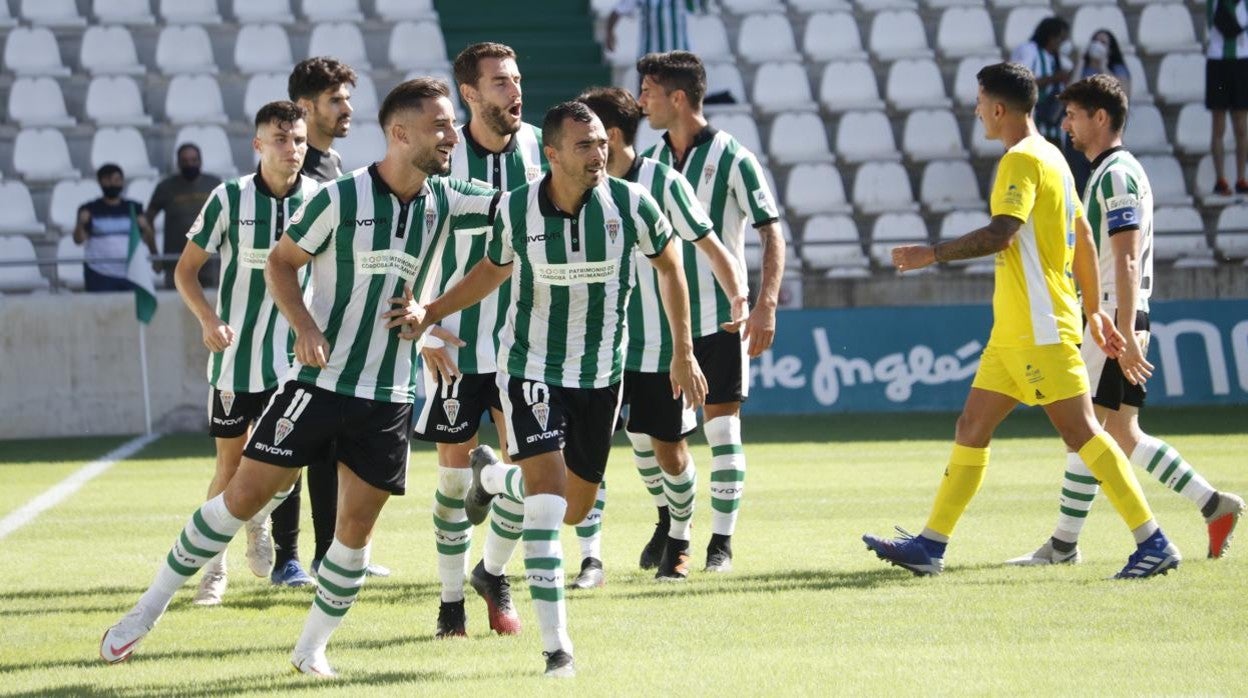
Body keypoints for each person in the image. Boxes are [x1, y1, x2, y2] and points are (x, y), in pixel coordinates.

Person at [100, 77, 499, 677]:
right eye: (440, 125)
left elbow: (517, 224)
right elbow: (281, 263)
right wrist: (306, 326)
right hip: (318, 383)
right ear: (399, 133)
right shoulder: (340, 198)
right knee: (240, 496)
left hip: (388, 395)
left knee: (354, 532)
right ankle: (144, 613)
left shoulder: (450, 198)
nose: (453, 136)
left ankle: (311, 650)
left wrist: (432, 314)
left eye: (452, 125)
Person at [407, 101, 707, 677]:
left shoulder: (632, 204)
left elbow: (671, 267)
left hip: (601, 377)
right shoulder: (517, 208)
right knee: (546, 505)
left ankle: (492, 485)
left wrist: (683, 350)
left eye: (601, 144)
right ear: (552, 154)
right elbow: (491, 271)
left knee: (574, 509)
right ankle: (557, 650)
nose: (598, 155)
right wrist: (432, 312)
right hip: (531, 370)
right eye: (584, 146)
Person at [865, 62, 1181, 580]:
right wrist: (1094, 311)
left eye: (978, 102)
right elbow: (1082, 234)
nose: (975, 112)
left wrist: (931, 253)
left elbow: (1001, 233)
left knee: (1083, 432)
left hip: (1039, 327)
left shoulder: (1020, 160)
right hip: (1014, 332)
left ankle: (1153, 541)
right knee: (972, 427)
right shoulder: (1053, 156)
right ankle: (930, 545)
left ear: (997, 108)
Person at [1007, 74, 1246, 565]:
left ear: (1101, 117)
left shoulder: (1116, 174)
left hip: (1115, 314)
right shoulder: (1116, 171)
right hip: (1123, 312)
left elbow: (1127, 256)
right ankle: (1211, 504)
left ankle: (1064, 545)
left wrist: (1125, 328)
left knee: (1086, 429)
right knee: (1118, 432)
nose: (1066, 125)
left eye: (1073, 115)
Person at [579, 85, 747, 581]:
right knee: (596, 450)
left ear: (609, 136)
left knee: (669, 452)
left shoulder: (663, 182)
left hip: (657, 349)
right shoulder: (574, 185)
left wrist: (739, 298)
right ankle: (591, 557)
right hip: (599, 350)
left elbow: (711, 245)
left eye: (586, 133)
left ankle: (680, 536)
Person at [635, 50, 785, 573]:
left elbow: (771, 232)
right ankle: (669, 520)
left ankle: (720, 544)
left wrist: (765, 303)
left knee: (721, 431)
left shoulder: (733, 157)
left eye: (649, 92)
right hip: (660, 325)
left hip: (721, 318)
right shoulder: (647, 163)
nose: (641, 101)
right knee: (648, 438)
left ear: (677, 98)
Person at [416, 41, 546, 640]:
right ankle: (450, 604)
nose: (515, 91)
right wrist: (424, 329)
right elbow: (408, 241)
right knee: (451, 482)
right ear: (469, 93)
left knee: (529, 478)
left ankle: (493, 573)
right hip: (456, 343)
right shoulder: (442, 156)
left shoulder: (542, 147)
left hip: (524, 346)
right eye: (500, 82)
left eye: (516, 79)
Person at [172, 101, 322, 605]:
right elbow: (185, 270)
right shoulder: (229, 198)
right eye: (281, 139)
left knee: (291, 461)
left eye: (299, 140)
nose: (292, 148)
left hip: (292, 362)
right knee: (229, 466)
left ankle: (258, 518)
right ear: (258, 144)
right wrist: (208, 319)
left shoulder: (319, 199)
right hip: (235, 359)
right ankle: (214, 568)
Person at [263, 55, 369, 588]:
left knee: (331, 446)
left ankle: (330, 554)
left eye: (348, 98)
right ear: (305, 107)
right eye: (336, 100)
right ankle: (285, 556)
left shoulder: (336, 166)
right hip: (284, 328)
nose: (347, 108)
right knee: (287, 448)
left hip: (325, 325)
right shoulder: (290, 172)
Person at [146, 143, 223, 290]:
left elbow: (229, 219)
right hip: (176, 262)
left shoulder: (214, 184)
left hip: (210, 261)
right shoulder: (165, 187)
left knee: (212, 302)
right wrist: (154, 254)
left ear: (200, 161)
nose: (190, 164)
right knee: (175, 302)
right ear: (178, 163)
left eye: (193, 160)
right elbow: (147, 220)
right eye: (185, 161)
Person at [74, 164, 158, 292]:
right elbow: (78, 240)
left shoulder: (134, 207)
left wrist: (146, 227)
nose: (113, 184)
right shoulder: (89, 209)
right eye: (108, 180)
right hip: (99, 273)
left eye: (117, 180)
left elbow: (148, 239)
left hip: (132, 271)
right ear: (100, 182)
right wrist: (80, 223)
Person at [1066, 30, 1130, 193]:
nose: (1098, 45)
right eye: (1095, 41)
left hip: (1104, 134)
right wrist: (1080, 62)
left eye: (1103, 43)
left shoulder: (1117, 69)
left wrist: (1103, 66)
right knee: (1080, 183)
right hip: (1079, 134)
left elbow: (1123, 95)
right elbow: (1069, 94)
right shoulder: (1082, 70)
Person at [1206, 0, 1248, 195]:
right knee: (1219, 124)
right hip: (1218, 61)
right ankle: (1220, 179)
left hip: (1242, 60)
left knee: (1241, 125)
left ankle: (1241, 178)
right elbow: (1221, 23)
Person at [1011, 17, 1072, 147]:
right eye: (1061, 38)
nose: (1063, 43)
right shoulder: (1029, 50)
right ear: (1051, 37)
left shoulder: (1059, 58)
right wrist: (1054, 78)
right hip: (1030, 124)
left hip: (1053, 127)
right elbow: (1020, 81)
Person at [605, 0, 707, 57]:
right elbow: (618, 10)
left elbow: (700, 7)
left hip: (679, 58)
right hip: (651, 59)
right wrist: (609, 32)